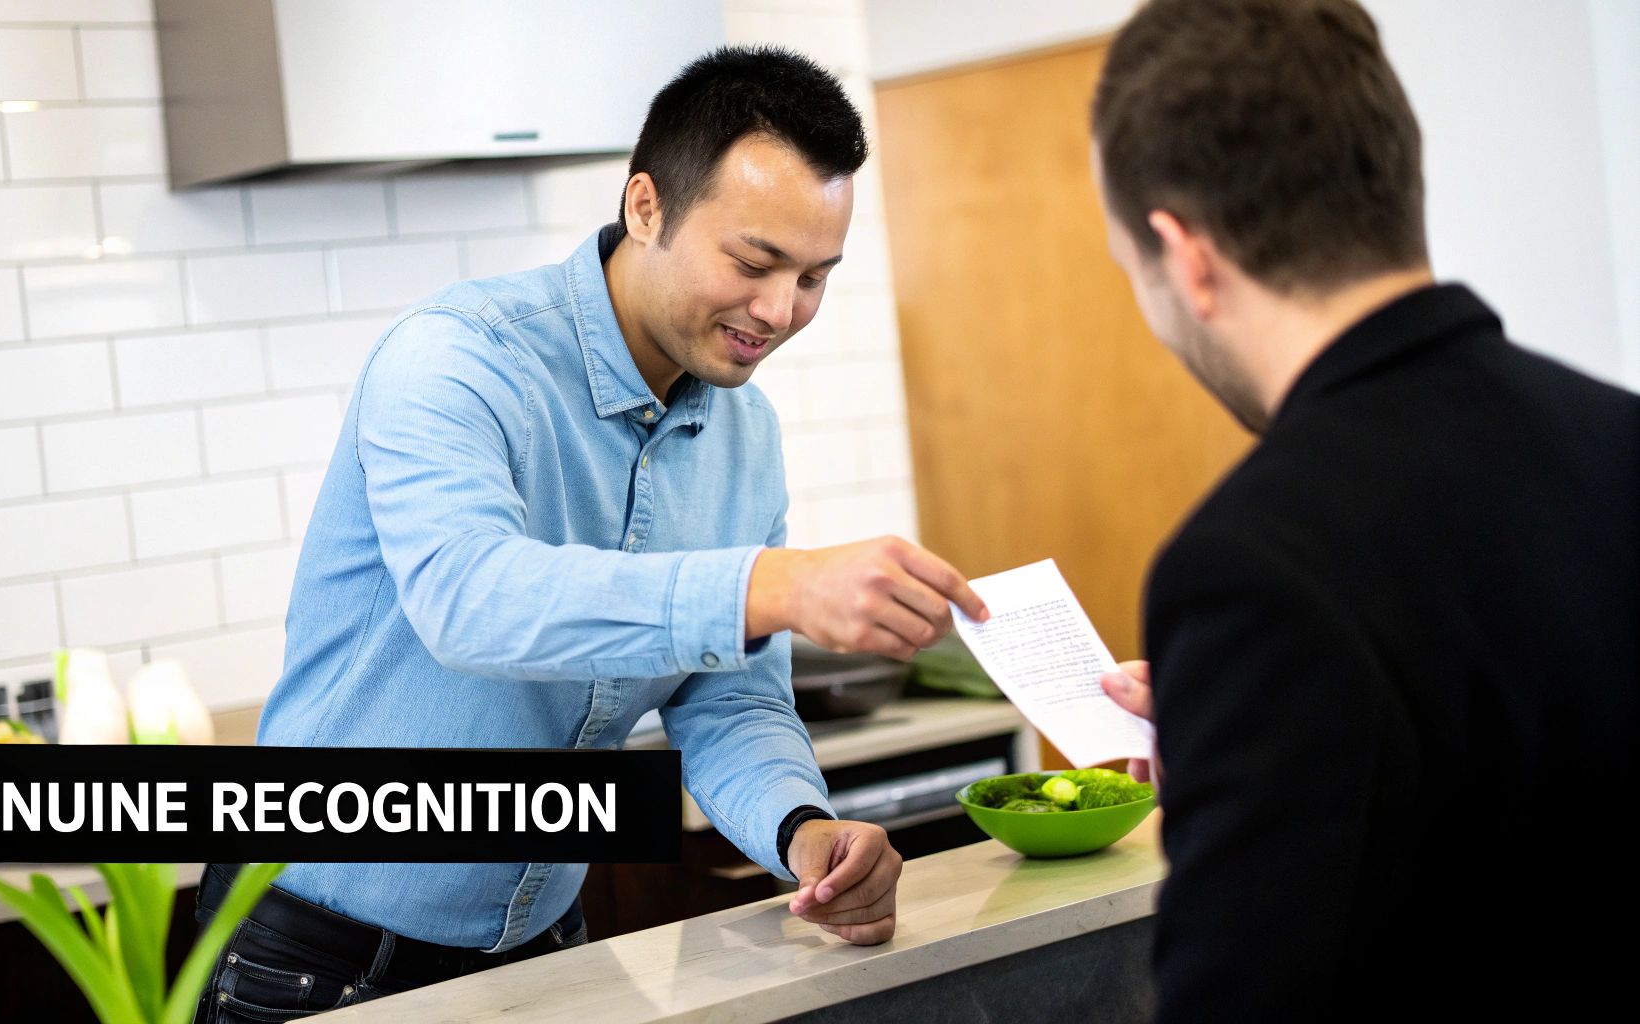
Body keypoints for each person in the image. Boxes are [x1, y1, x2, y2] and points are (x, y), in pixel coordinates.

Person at [193, 45, 989, 1021]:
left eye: (814, 276)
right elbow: (471, 599)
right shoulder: (454, 358)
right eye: (753, 262)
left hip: (545, 946)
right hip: (315, 957)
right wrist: (767, 586)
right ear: (645, 206)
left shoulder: (745, 434)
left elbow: (730, 698)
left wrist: (801, 829)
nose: (781, 310)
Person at [1085, 0, 1639, 1017]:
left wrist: (1220, 809)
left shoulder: (1250, 563)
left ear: (1184, 253)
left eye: (1134, 273)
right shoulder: (1620, 436)